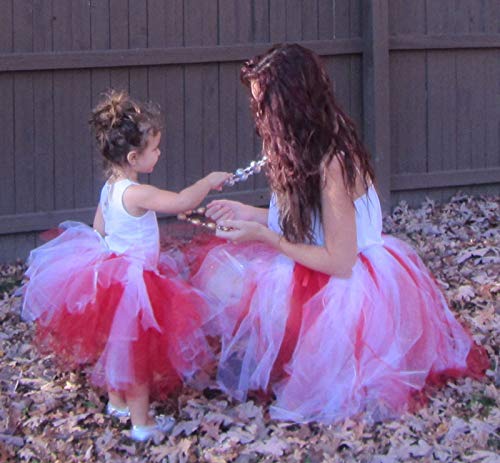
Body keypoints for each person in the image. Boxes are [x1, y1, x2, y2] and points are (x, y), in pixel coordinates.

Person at [187, 43, 489, 423]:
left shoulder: (333, 162)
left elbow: (340, 261)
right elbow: (311, 222)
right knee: (224, 273)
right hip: (320, 260)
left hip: (349, 281)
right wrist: (253, 215)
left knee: (269, 295)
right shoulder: (299, 146)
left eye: (265, 105)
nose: (259, 114)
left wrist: (264, 237)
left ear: (292, 103)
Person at [21, 90, 231, 441]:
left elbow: (100, 229)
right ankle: (142, 423)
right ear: (134, 157)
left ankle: (117, 402)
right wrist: (207, 182)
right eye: (155, 149)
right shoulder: (136, 193)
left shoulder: (111, 188)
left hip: (114, 278)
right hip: (137, 284)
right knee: (136, 354)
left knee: (117, 345)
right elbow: (182, 200)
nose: (159, 154)